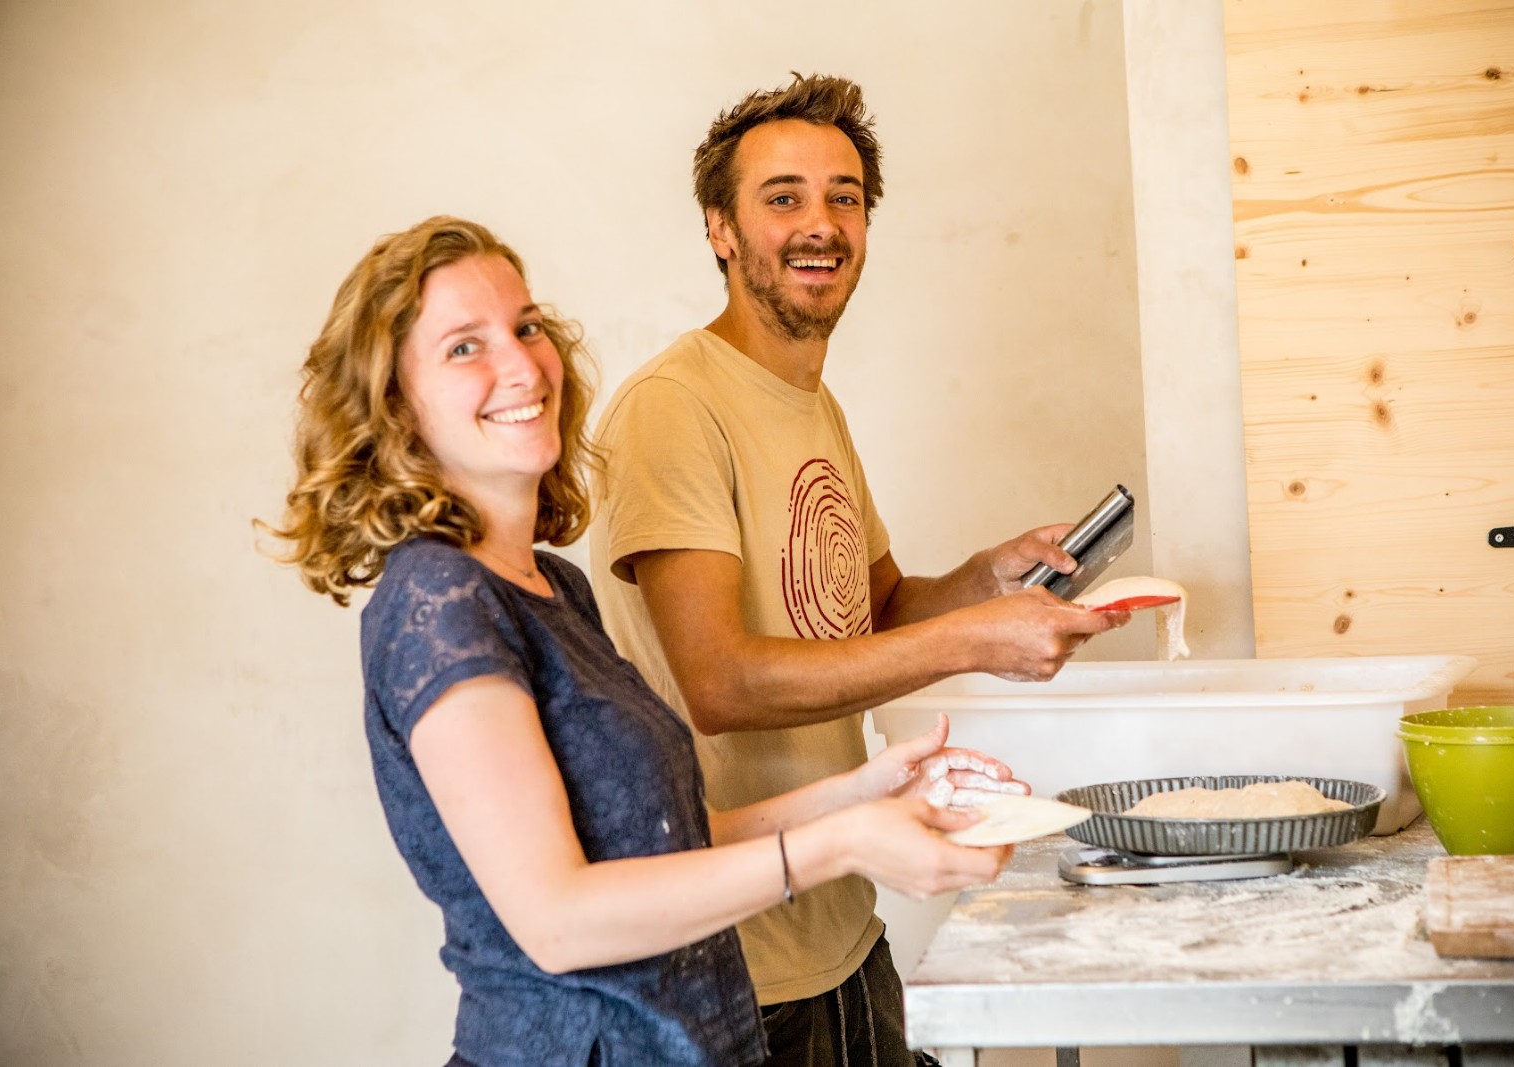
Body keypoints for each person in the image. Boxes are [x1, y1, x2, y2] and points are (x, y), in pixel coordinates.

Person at [262, 216, 1022, 1067]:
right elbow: (557, 919)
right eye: (464, 347)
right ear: (394, 406)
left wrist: (865, 793)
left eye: (526, 327)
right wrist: (840, 846)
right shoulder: (438, 603)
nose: (522, 365)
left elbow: (674, 834)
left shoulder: (554, 589)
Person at [589, 74, 1130, 1065]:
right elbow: (720, 681)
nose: (821, 224)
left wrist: (988, 578)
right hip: (728, 970)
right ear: (720, 229)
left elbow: (872, 611)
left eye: (844, 197)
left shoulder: (812, 404)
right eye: (783, 197)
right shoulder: (673, 408)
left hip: (839, 930)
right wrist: (971, 640)